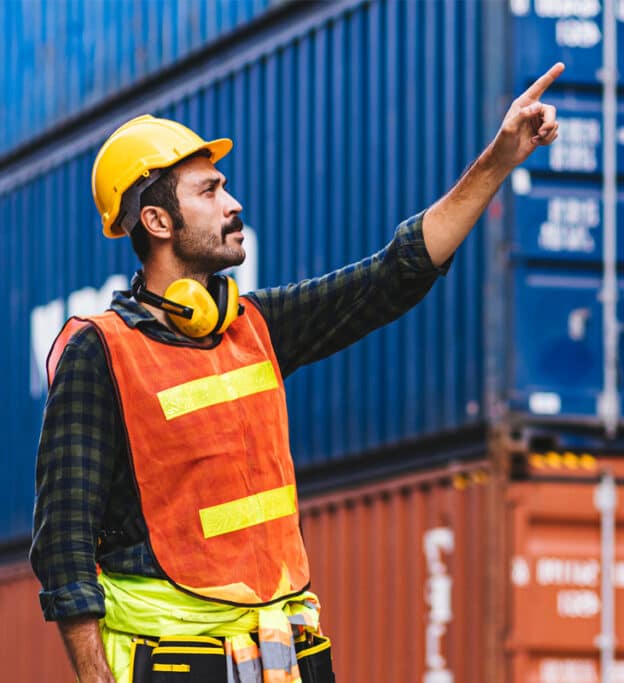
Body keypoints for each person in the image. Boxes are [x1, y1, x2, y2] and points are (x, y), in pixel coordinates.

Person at [31, 63, 564, 683]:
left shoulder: (256, 324)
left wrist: (498, 161)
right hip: (176, 668)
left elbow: (396, 274)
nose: (233, 204)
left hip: (289, 661)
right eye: (209, 191)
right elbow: (63, 547)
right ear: (157, 222)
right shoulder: (100, 353)